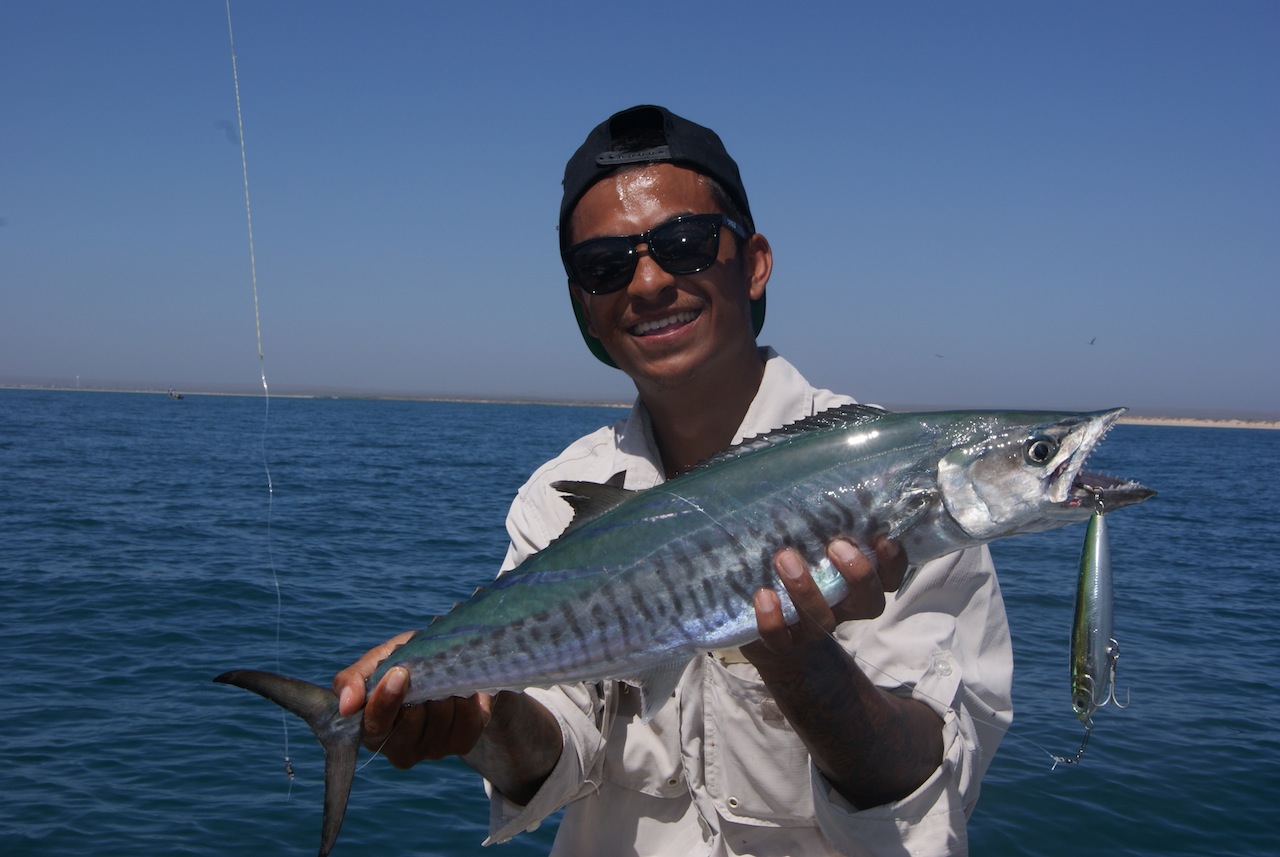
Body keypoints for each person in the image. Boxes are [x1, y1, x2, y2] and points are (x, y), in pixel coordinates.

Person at [335, 105, 1013, 855]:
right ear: (583, 305)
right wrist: (477, 723)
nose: (650, 281)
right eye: (604, 266)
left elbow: (930, 787)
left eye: (685, 244)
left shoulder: (884, 473)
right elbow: (557, 747)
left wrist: (801, 665)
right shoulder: (564, 494)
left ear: (754, 263)